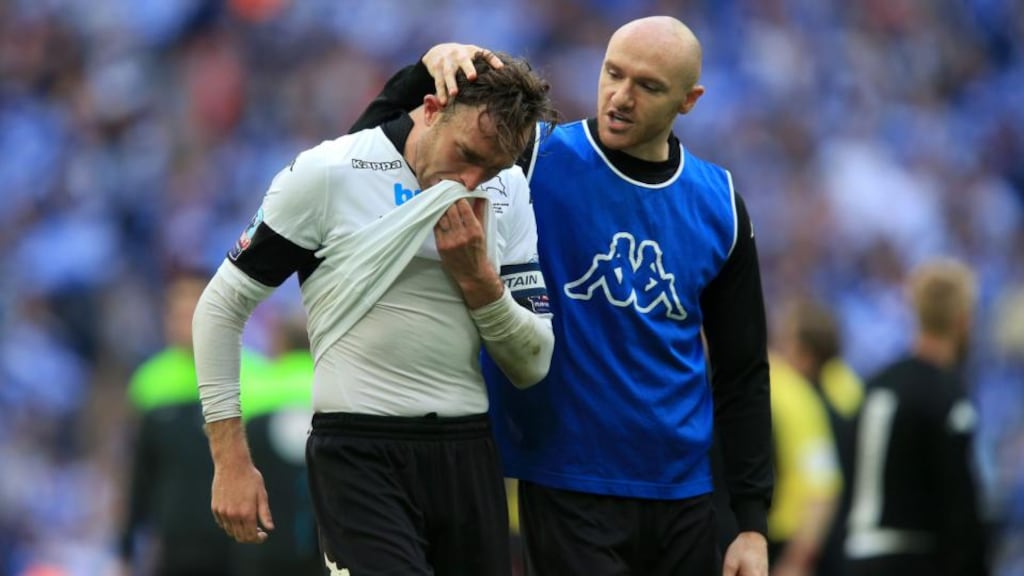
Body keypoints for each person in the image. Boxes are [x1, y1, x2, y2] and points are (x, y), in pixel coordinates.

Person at [352, 15, 773, 576]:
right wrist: (422, 71)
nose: (620, 97)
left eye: (647, 87)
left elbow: (742, 371)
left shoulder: (720, 204)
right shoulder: (534, 158)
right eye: (613, 74)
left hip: (686, 496)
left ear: (689, 100)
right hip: (565, 483)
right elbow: (363, 160)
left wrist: (751, 523)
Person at [192, 52, 557, 576]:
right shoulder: (330, 173)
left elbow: (532, 363)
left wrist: (479, 281)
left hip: (467, 454)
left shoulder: (508, 189)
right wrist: (229, 460)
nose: (471, 180)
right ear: (431, 108)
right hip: (359, 454)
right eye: (466, 154)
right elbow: (221, 307)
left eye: (493, 167)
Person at [844, 259, 989, 576]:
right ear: (964, 320)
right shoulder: (945, 394)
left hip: (857, 554)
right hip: (914, 558)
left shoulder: (875, 385)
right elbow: (957, 496)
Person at [118, 270, 267, 576]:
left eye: (193, 310)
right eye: (177, 311)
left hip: (244, 547)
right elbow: (139, 472)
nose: (184, 320)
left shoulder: (257, 377)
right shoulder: (150, 382)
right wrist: (124, 547)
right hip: (175, 547)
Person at [775, 299, 863, 576]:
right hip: (848, 536)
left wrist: (796, 560)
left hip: (803, 536)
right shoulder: (851, 390)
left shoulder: (796, 400)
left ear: (804, 353)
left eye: (786, 341)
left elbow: (821, 488)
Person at [230, 310, 319, 576]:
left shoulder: (255, 387)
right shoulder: (329, 386)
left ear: (279, 344)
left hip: (265, 538)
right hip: (319, 535)